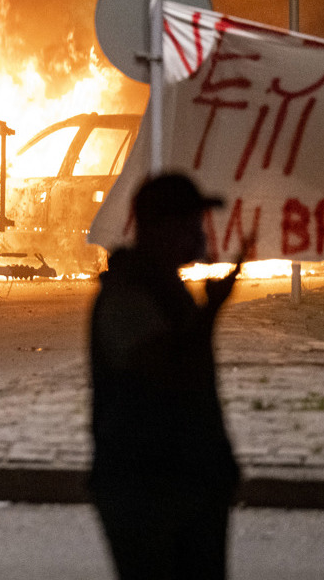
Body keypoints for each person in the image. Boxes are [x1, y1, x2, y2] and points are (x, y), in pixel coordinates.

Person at [89, 173, 242, 580]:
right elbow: (166, 370)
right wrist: (212, 312)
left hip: (186, 480)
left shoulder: (165, 287)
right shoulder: (128, 295)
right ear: (161, 229)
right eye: (191, 224)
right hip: (146, 488)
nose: (200, 234)